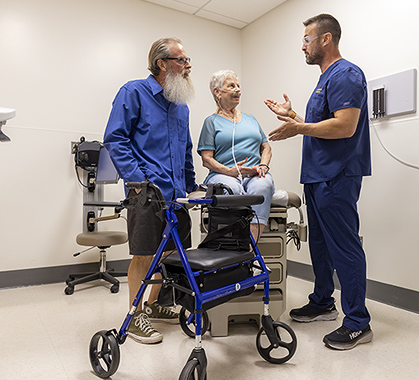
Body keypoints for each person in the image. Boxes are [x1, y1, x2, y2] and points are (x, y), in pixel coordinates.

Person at [264, 14, 372, 350]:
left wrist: (298, 127)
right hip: (317, 175)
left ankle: (357, 323)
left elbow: (344, 127)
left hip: (337, 175)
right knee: (320, 246)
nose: (303, 45)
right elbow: (322, 124)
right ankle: (323, 301)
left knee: (345, 246)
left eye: (307, 38)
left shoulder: (347, 74)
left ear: (326, 39)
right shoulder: (325, 80)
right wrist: (293, 116)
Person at [104, 37, 198, 344]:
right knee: (144, 255)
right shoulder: (134, 92)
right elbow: (116, 139)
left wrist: (190, 186)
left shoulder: (179, 104)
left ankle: (156, 305)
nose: (188, 66)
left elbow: (186, 149)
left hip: (176, 194)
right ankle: (135, 314)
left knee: (170, 253)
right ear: (162, 63)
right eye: (182, 60)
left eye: (187, 60)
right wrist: (138, 181)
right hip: (146, 192)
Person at [198, 70, 274, 243]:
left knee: (263, 187)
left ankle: (247, 252)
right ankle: (233, 249)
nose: (238, 90)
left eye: (238, 86)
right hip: (223, 174)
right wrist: (230, 171)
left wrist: (263, 166)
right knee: (233, 190)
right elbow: (206, 159)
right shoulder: (211, 122)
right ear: (217, 92)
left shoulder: (251, 119)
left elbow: (266, 146)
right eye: (231, 86)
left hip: (255, 173)